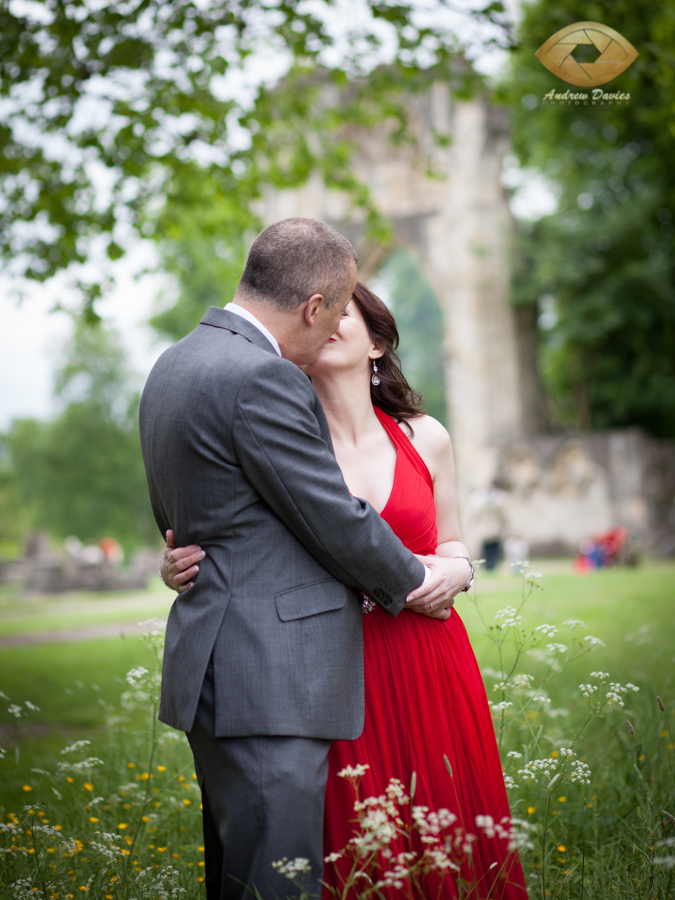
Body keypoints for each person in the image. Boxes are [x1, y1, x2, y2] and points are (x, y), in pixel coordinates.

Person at [140, 218, 471, 900]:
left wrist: (182, 560)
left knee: (247, 871)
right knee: (279, 879)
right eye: (330, 320)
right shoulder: (262, 377)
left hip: (220, 665)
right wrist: (419, 579)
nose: (325, 340)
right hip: (272, 670)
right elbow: (331, 519)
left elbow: (189, 519)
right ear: (313, 308)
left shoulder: (174, 363)